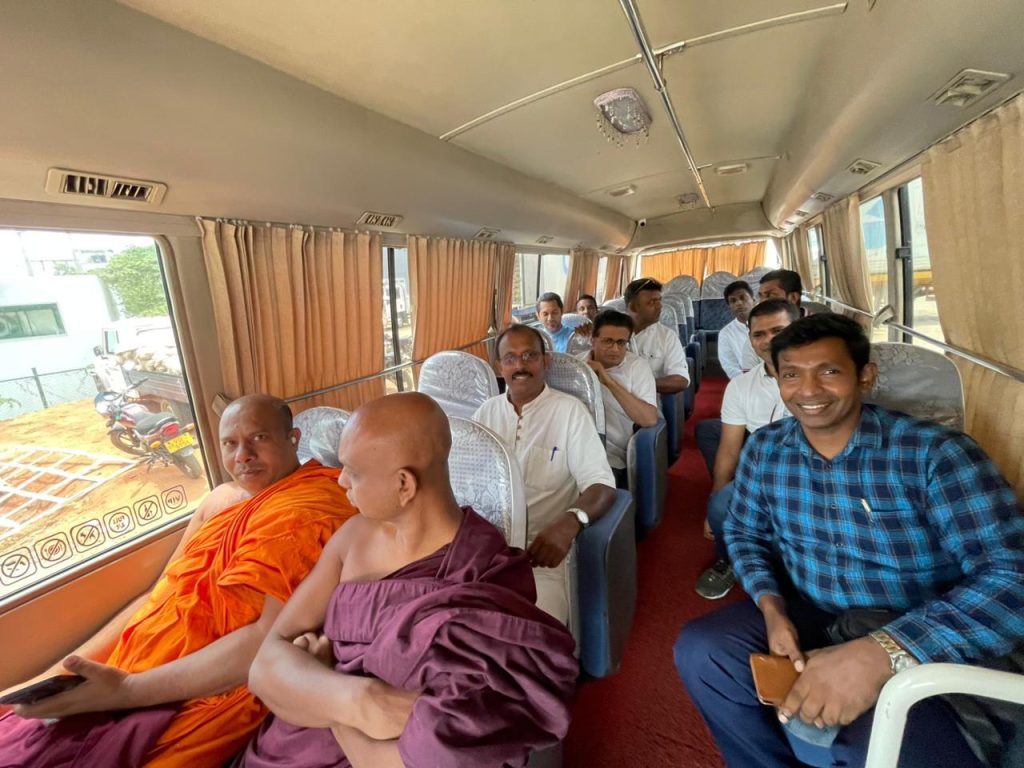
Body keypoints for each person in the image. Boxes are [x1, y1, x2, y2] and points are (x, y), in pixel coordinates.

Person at [675, 314, 1024, 768]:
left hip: (918, 622)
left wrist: (884, 651)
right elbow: (743, 531)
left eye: (829, 371)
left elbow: (1012, 576)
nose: (809, 390)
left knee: (880, 742)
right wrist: (771, 607)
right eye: (792, 375)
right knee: (704, 651)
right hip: (814, 610)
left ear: (865, 376)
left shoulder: (935, 454)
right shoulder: (766, 450)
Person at [0, 395, 357, 768]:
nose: (243, 455)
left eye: (259, 438)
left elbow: (264, 640)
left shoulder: (308, 511)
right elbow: (157, 595)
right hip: (129, 665)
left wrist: (124, 692)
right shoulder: (222, 502)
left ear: (293, 439)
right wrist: (56, 674)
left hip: (198, 690)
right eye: (230, 443)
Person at [237, 393, 577, 768]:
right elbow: (264, 666)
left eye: (353, 472)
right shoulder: (353, 536)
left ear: (404, 485)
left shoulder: (481, 576)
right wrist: (359, 699)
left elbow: (406, 760)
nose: (341, 480)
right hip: (285, 743)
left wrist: (318, 686)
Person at [473, 325, 616, 623]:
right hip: (483, 554)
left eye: (529, 356)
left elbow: (601, 484)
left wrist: (571, 521)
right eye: (510, 358)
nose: (520, 365)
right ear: (499, 367)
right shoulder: (485, 413)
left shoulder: (570, 412)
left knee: (528, 633)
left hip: (542, 555)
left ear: (545, 361)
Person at [694, 299, 799, 600]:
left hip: (814, 471)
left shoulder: (819, 378)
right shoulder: (741, 387)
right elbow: (729, 450)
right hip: (765, 473)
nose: (768, 341)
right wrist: (714, 502)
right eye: (759, 334)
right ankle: (729, 559)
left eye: (778, 331)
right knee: (721, 506)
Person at [578, 309, 658, 487]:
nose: (615, 349)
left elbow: (649, 419)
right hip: (576, 450)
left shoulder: (637, 367)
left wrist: (609, 382)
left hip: (612, 456)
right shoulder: (576, 367)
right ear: (593, 340)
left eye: (621, 343)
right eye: (608, 341)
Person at [623, 277, 689, 394]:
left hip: (650, 400)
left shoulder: (667, 337)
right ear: (633, 307)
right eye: (652, 302)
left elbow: (681, 380)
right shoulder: (612, 333)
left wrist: (641, 384)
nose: (659, 306)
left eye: (659, 300)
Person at [718, 280, 759, 380]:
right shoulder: (725, 333)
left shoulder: (770, 324)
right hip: (747, 381)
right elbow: (730, 366)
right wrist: (750, 381)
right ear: (729, 307)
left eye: (743, 298)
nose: (739, 303)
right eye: (733, 301)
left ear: (754, 300)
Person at [757, 269, 830, 316]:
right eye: (760, 296)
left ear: (793, 297)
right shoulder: (761, 324)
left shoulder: (818, 327)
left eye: (770, 295)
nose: (762, 302)